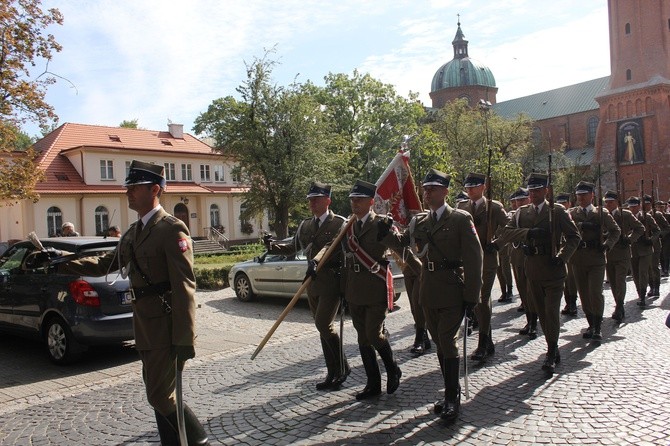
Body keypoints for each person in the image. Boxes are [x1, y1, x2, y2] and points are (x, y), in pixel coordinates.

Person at [54, 160, 208, 445]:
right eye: (128, 187)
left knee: (159, 395)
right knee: (156, 392)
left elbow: (184, 285)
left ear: (155, 189)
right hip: (144, 324)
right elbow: (105, 263)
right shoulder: (132, 233)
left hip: (164, 325)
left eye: (134, 187)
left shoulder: (172, 229)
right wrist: (61, 264)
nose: (128, 192)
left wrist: (185, 337)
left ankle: (198, 440)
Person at [389, 168, 482, 423]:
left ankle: (452, 397)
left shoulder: (461, 219)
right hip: (428, 290)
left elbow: (475, 259)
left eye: (433, 188)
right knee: (439, 342)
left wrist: (472, 296)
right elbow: (402, 244)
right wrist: (386, 229)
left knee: (446, 340)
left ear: (445, 191)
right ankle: (450, 391)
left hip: (452, 288)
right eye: (425, 188)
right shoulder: (419, 221)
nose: (427, 193)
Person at [264, 182, 350, 391]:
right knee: (321, 328)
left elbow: (335, 248)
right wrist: (271, 245)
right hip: (312, 283)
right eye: (310, 200)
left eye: (316, 199)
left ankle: (343, 367)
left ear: (327, 200)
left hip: (331, 281)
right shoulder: (306, 225)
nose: (312, 203)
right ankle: (332, 372)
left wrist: (318, 262)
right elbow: (293, 247)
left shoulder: (339, 223)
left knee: (323, 323)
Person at [497, 172, 580, 378]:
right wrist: (528, 234)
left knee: (552, 312)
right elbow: (507, 233)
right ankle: (553, 345)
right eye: (531, 190)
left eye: (537, 190)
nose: (533, 194)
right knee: (542, 313)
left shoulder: (557, 211)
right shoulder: (522, 213)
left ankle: (551, 352)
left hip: (554, 270)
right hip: (532, 269)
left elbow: (574, 237)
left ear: (546, 190)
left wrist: (562, 256)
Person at [342, 180, 402, 400]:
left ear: (370, 202)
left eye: (358, 200)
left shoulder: (380, 224)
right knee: (362, 338)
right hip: (355, 290)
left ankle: (393, 368)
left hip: (375, 288)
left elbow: (400, 245)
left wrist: (390, 233)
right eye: (352, 200)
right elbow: (337, 251)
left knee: (374, 334)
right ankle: (373, 384)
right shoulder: (349, 227)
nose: (354, 203)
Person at [457, 172, 509, 363]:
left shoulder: (494, 207)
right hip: (469, 261)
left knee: (482, 297)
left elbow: (510, 227)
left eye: (474, 186)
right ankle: (488, 339)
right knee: (477, 300)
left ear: (483, 187)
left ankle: (482, 343)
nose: (470, 190)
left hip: (487, 260)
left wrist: (497, 243)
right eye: (467, 186)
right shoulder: (462, 207)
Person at [567, 182, 620, 341]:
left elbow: (615, 231)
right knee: (583, 293)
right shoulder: (572, 213)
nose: (581, 198)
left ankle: (598, 327)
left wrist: (607, 245)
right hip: (578, 259)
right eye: (578, 195)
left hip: (596, 258)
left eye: (584, 194)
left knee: (595, 292)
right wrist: (581, 224)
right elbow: (565, 229)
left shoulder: (601, 213)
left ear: (592, 195)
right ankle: (591, 323)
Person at [603, 191, 644, 322]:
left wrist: (630, 239)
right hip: (608, 254)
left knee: (620, 280)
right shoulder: (602, 215)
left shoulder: (625, 214)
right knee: (614, 283)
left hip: (623, 253)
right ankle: (618, 304)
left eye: (611, 201)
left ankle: (620, 306)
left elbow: (640, 228)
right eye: (606, 202)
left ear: (617, 202)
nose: (608, 204)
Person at [508, 187, 537, 339]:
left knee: (531, 291)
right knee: (523, 291)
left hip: (532, 257)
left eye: (522, 199)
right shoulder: (515, 215)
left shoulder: (534, 213)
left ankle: (534, 321)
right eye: (517, 200)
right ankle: (529, 319)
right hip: (518, 257)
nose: (519, 202)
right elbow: (507, 232)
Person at [628, 196, 660, 307]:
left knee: (643, 272)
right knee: (635, 274)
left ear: (639, 206)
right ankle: (640, 292)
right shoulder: (626, 217)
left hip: (646, 249)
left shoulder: (647, 217)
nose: (632, 209)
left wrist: (651, 240)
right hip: (632, 249)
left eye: (634, 206)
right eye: (630, 207)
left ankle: (642, 297)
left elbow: (657, 231)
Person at [556, 193, 579, 317]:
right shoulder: (556, 213)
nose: (562, 205)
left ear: (569, 203)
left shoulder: (574, 213)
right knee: (565, 279)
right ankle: (567, 302)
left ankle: (573, 302)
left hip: (573, 251)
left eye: (564, 202)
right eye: (560, 202)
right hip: (561, 249)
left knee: (572, 279)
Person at [643, 195, 669, 298]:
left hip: (655, 244)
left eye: (648, 203)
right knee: (648, 268)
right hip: (644, 245)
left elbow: (667, 228)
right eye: (644, 203)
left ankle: (656, 288)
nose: (646, 205)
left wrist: (658, 235)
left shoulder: (657, 214)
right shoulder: (641, 215)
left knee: (654, 266)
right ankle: (651, 286)